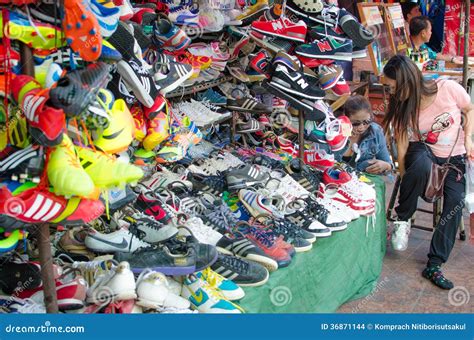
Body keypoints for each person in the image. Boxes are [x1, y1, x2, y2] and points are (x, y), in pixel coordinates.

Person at [382, 55, 474, 290]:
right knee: (420, 162)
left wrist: (469, 138)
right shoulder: (403, 107)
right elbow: (402, 143)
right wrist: (404, 174)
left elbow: (469, 109)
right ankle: (403, 219)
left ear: (405, 82)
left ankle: (434, 263)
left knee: (455, 201)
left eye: (392, 87)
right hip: (423, 154)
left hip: (454, 156)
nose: (390, 93)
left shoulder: (448, 88)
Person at [341, 95, 393, 174]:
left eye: (367, 122)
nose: (361, 127)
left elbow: (389, 164)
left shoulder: (376, 132)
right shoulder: (336, 132)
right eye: (356, 123)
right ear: (345, 118)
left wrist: (385, 165)